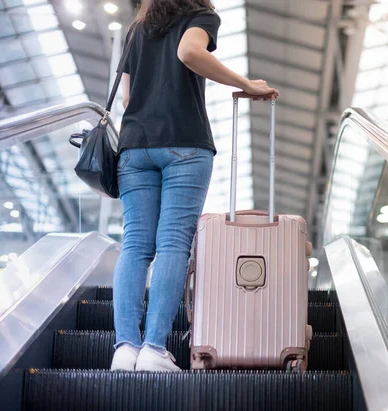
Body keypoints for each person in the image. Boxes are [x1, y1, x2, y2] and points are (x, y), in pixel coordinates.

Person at [110, 0, 278, 372]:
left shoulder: (136, 31)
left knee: (136, 244)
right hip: (184, 143)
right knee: (172, 244)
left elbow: (125, 98)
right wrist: (246, 84)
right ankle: (153, 348)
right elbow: (189, 51)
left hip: (135, 146)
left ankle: (125, 348)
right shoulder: (200, 18)